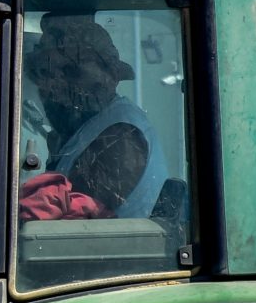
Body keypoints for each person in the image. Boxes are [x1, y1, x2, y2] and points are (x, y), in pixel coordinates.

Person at [22, 13, 165, 220]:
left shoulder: (121, 135)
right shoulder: (84, 130)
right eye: (46, 73)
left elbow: (71, 225)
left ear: (111, 76)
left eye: (72, 72)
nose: (55, 86)